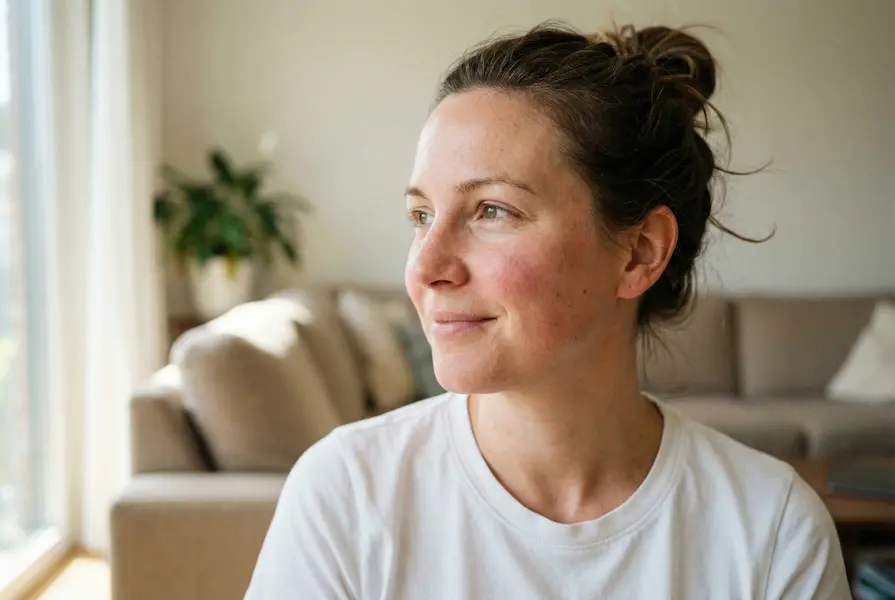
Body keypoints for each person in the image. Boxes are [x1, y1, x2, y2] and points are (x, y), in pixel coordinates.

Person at [244, 22, 850, 599]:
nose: (426, 267)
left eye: (492, 211)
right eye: (421, 216)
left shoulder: (773, 530)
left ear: (638, 252)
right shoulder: (346, 495)